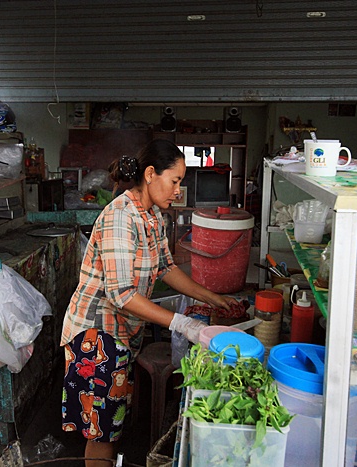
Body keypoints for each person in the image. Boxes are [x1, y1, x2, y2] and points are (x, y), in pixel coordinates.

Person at [59, 139, 239, 466]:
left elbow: (166, 268)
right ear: (151, 174)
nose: (178, 190)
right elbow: (121, 294)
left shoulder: (153, 216)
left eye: (181, 182)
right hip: (96, 338)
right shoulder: (120, 217)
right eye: (175, 181)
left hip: (122, 334)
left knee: (111, 427)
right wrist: (182, 323)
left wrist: (213, 298)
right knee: (101, 435)